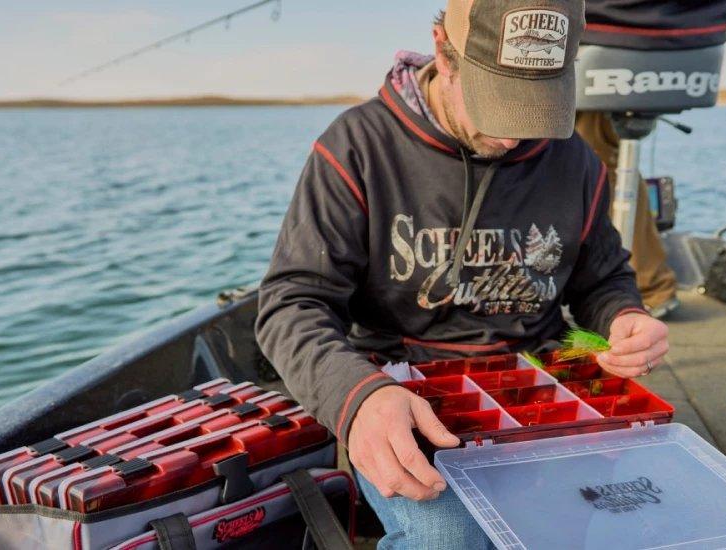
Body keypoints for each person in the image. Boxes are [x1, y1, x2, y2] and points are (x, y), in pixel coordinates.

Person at [256, 0, 670, 547]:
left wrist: (624, 316)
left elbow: (602, 279)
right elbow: (292, 304)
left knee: (630, 522)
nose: (511, 136)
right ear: (442, 54)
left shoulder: (577, 160)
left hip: (541, 382)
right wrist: (357, 397)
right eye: (497, 104)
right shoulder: (355, 147)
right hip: (406, 392)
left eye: (534, 107)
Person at [574, 112, 680, 317]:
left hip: (596, 94)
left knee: (597, 159)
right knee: (604, 160)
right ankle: (648, 288)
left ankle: (646, 289)